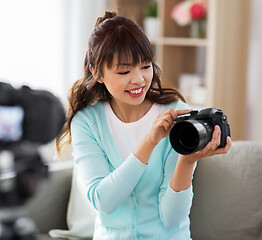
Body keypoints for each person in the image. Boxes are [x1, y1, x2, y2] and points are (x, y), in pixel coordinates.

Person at [56, 11, 231, 240]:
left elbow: (172, 218)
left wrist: (187, 161)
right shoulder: (87, 123)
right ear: (97, 72)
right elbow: (103, 201)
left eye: (146, 66)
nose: (138, 79)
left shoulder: (175, 114)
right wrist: (150, 141)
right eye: (124, 71)